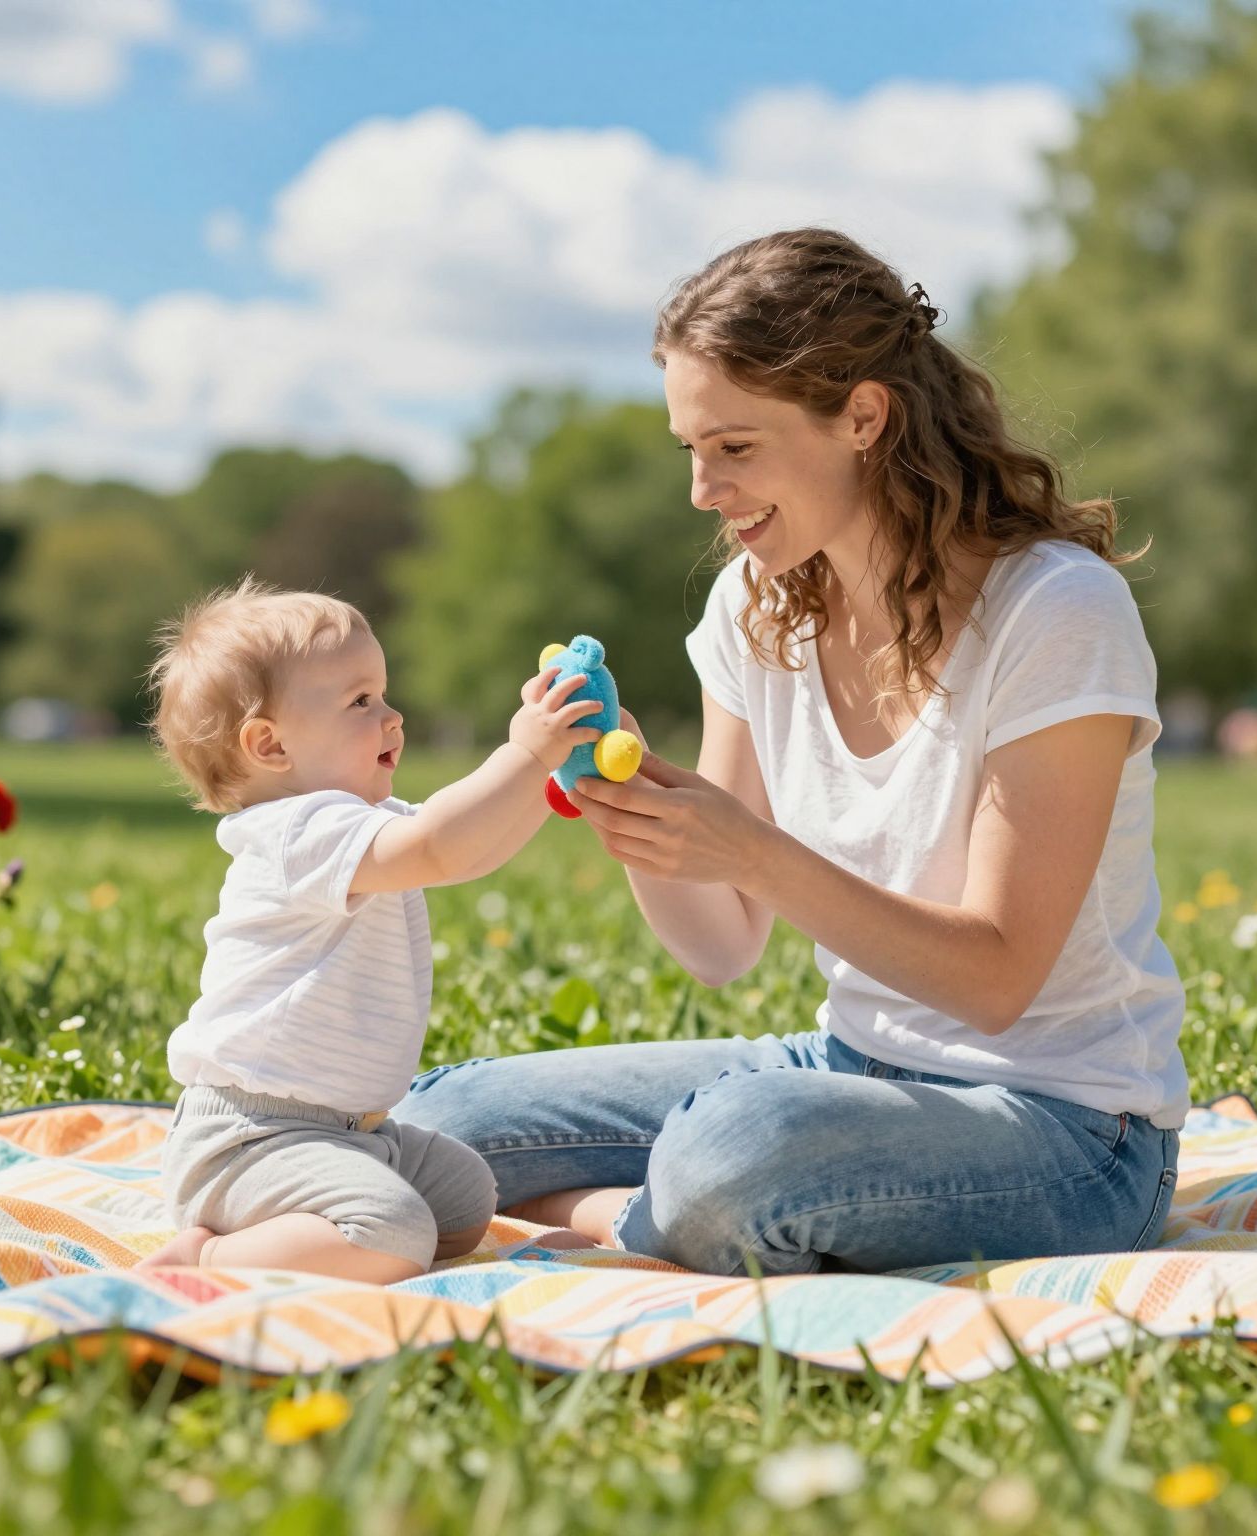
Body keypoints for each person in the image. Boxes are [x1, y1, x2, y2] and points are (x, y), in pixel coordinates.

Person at [393, 228, 1188, 1277]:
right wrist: (628, 801)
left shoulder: (1055, 611)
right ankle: (654, 1214)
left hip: (1066, 1132)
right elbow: (719, 945)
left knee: (733, 1149)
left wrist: (752, 852)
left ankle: (609, 1217)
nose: (701, 489)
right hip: (852, 1068)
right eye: (690, 449)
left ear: (862, 417)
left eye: (733, 447)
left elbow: (998, 977)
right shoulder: (755, 603)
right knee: (438, 1121)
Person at [138, 582, 604, 1281]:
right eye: (361, 701)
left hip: (350, 1131)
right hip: (249, 1139)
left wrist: (556, 778)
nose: (392, 716)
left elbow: (466, 850)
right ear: (270, 744)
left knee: (466, 1199)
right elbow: (439, 847)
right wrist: (527, 755)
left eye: (383, 694)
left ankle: (341, 1242)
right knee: (391, 1231)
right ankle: (207, 1253)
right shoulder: (296, 832)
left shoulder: (361, 823)